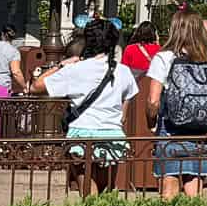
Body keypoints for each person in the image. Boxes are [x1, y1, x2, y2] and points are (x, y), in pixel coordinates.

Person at [39, 18, 138, 195]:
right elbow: (126, 107)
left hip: (82, 133)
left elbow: (36, 87)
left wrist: (60, 65)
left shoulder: (76, 69)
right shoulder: (123, 71)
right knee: (107, 191)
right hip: (111, 134)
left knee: (88, 193)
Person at [146, 7, 207, 200]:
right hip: (200, 128)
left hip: (171, 129)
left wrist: (151, 120)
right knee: (194, 188)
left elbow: (153, 99)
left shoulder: (165, 58)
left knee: (169, 187)